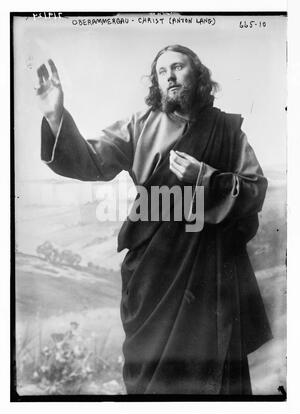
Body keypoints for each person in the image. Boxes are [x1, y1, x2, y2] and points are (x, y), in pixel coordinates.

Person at [36, 45, 272, 395]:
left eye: (178, 67)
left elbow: (254, 189)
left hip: (210, 273)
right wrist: (56, 117)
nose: (171, 77)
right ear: (157, 83)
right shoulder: (140, 125)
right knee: (152, 379)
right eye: (163, 72)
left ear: (199, 75)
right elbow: (90, 160)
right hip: (154, 274)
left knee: (214, 379)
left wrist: (205, 177)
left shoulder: (229, 131)